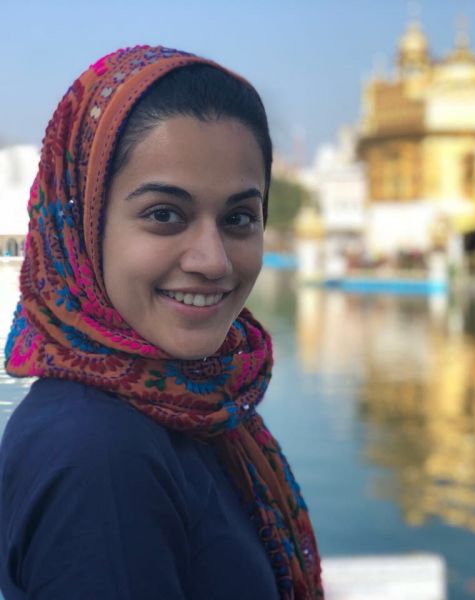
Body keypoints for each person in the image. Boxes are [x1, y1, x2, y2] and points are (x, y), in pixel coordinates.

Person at [0, 46, 323, 599]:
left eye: (239, 218)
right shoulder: (97, 454)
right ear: (82, 228)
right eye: (164, 215)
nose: (213, 260)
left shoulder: (188, 407)